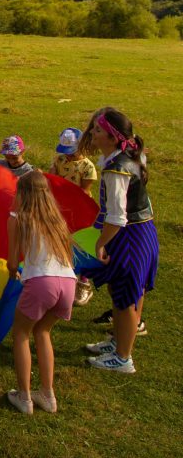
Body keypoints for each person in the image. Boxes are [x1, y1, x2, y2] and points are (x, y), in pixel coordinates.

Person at [79, 107, 158, 373]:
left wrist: (100, 242)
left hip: (127, 234)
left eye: (98, 130)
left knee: (125, 294)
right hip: (142, 229)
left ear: (113, 137)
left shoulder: (116, 169)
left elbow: (116, 215)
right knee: (131, 291)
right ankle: (120, 342)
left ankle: (123, 358)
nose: (93, 132)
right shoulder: (131, 153)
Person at [6, 171, 77, 414]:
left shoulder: (18, 218)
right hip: (68, 283)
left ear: (22, 194)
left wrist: (12, 273)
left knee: (21, 334)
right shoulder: (57, 221)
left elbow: (13, 262)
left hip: (41, 283)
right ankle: (48, 395)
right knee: (43, 331)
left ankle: (24, 396)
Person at [49, 127, 98, 306]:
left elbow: (84, 191)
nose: (68, 156)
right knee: (61, 241)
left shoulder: (88, 167)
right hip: (60, 207)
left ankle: (84, 282)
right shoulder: (59, 160)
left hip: (79, 210)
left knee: (81, 243)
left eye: (71, 152)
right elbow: (53, 180)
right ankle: (64, 277)